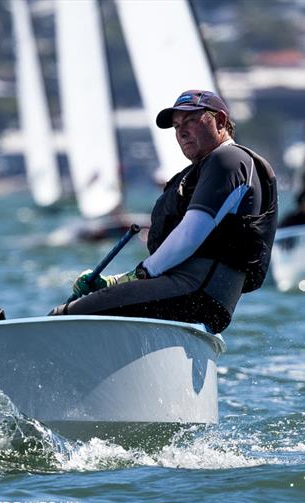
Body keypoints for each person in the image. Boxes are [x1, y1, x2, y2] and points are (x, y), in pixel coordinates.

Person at [49, 90, 278, 334]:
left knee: (64, 316)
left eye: (190, 121)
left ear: (220, 121)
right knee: (97, 309)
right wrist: (116, 281)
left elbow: (190, 235)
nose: (181, 131)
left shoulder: (228, 160)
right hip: (195, 296)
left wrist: (137, 275)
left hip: (195, 292)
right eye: (177, 126)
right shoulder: (203, 170)